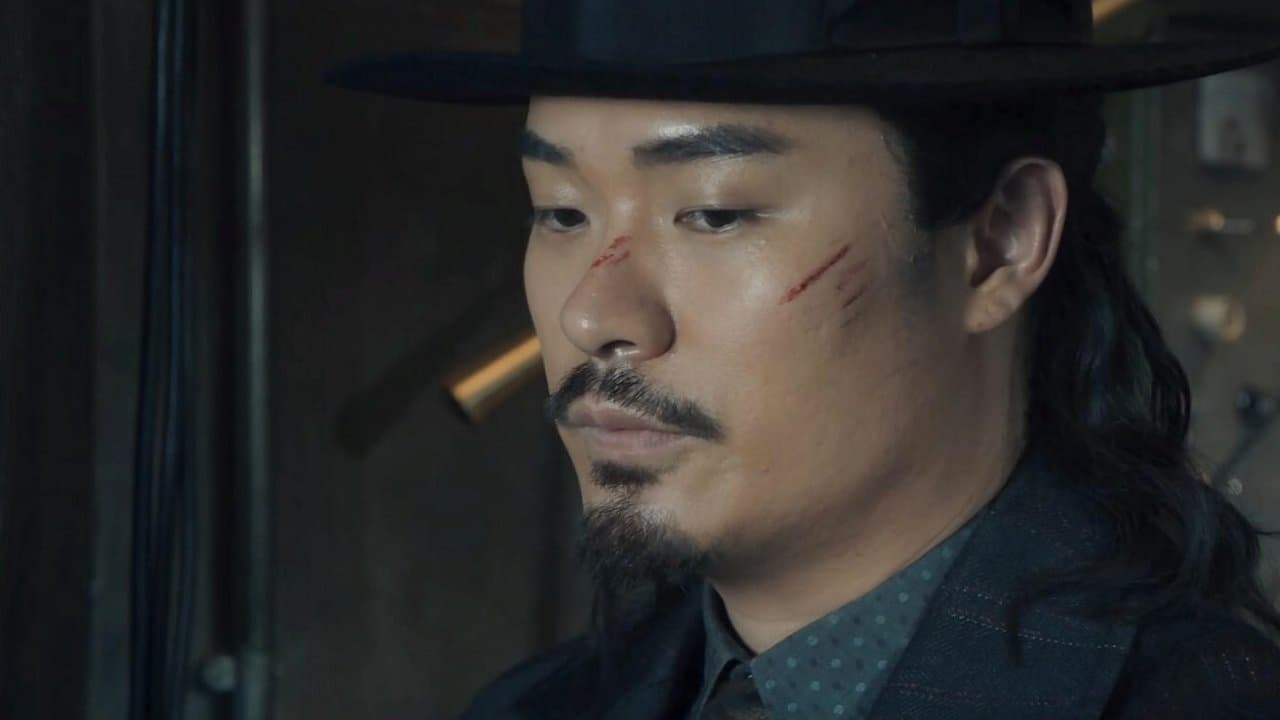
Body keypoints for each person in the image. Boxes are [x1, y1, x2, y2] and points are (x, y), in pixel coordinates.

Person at [330, 1, 1280, 717]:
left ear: (1000, 242)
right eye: (561, 212)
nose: (591, 314)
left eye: (714, 213)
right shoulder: (539, 706)